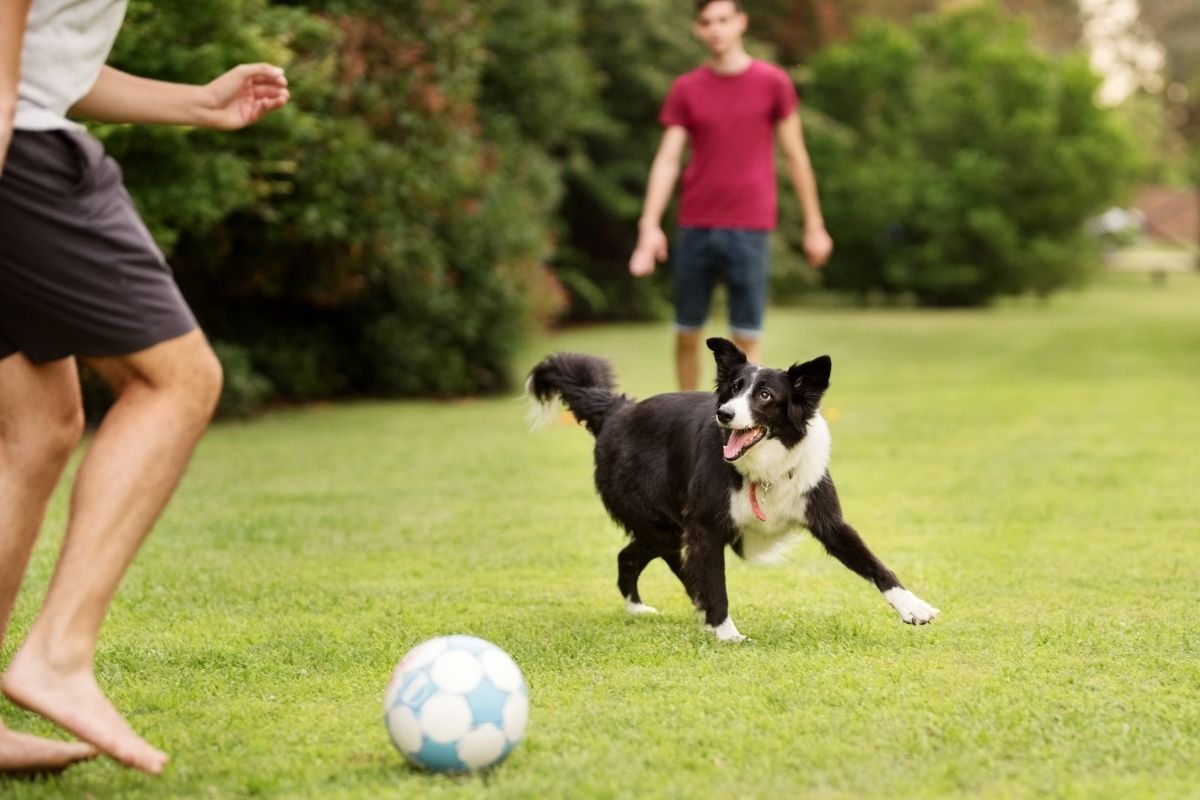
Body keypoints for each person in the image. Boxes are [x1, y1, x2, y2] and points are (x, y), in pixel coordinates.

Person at [1, 0, 289, 776]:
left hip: (17, 126)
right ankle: (57, 654)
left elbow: (43, 57)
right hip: (17, 151)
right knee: (179, 381)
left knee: (38, 430)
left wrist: (195, 102)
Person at [628, 0, 834, 390]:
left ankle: (746, 422)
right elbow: (668, 159)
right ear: (697, 29)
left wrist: (814, 225)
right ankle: (686, 421)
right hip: (696, 226)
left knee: (747, 337)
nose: (715, 29)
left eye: (723, 20)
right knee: (687, 332)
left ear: (741, 22)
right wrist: (649, 225)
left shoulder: (773, 83)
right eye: (706, 22)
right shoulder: (686, 89)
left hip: (751, 228)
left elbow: (795, 155)